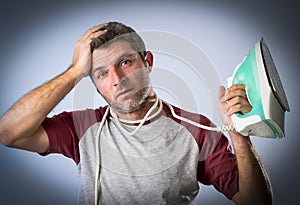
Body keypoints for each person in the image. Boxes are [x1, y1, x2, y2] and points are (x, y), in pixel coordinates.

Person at [0, 22, 272, 205]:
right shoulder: (82, 126)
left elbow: (255, 201)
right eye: (102, 73)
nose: (117, 79)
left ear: (148, 62)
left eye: (125, 62)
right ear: (94, 82)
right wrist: (74, 71)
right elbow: (9, 133)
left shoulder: (197, 129)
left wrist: (239, 132)